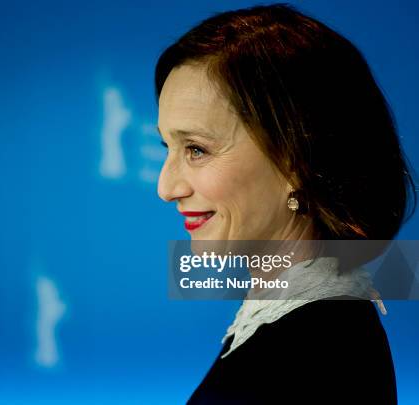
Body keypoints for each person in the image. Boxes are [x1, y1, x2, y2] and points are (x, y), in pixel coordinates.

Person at [154, 3, 417, 404]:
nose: (166, 187)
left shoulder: (317, 352)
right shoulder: (299, 324)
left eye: (196, 149)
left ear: (297, 160)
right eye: (167, 146)